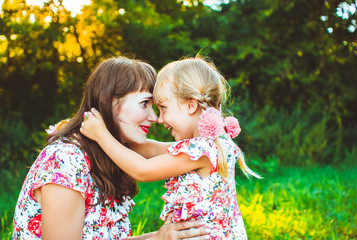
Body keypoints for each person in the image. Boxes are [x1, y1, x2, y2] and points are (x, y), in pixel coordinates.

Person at [12, 56, 211, 240]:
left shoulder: (108, 151)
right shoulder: (65, 160)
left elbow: (176, 151)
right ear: (111, 103)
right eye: (144, 104)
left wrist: (160, 237)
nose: (155, 118)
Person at [80, 56, 262, 239]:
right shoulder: (211, 144)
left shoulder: (201, 152)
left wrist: (101, 135)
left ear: (190, 105)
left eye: (163, 108)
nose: (159, 119)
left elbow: (142, 170)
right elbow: (152, 149)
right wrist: (116, 133)